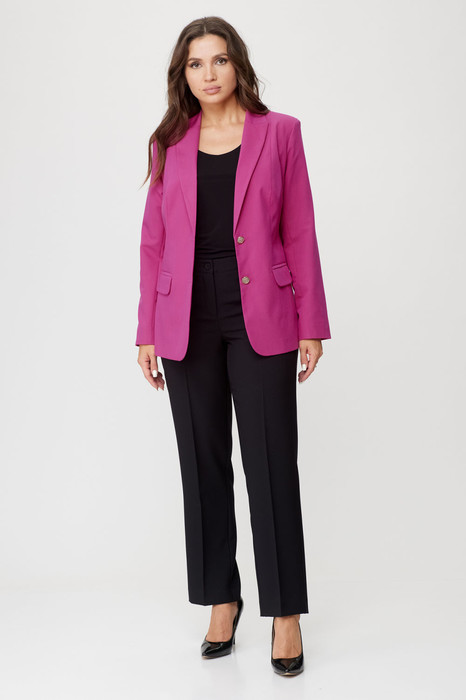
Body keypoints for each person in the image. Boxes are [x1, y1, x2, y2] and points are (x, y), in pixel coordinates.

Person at [135, 16, 331, 677]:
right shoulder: (169, 144)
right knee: (202, 462)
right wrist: (146, 329)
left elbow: (299, 228)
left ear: (238, 64)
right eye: (196, 64)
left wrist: (311, 322)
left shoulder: (281, 133)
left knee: (271, 462)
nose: (209, 74)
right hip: (184, 311)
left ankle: (286, 611)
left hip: (262, 309)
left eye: (219, 60)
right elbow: (154, 242)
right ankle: (221, 598)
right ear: (183, 75)